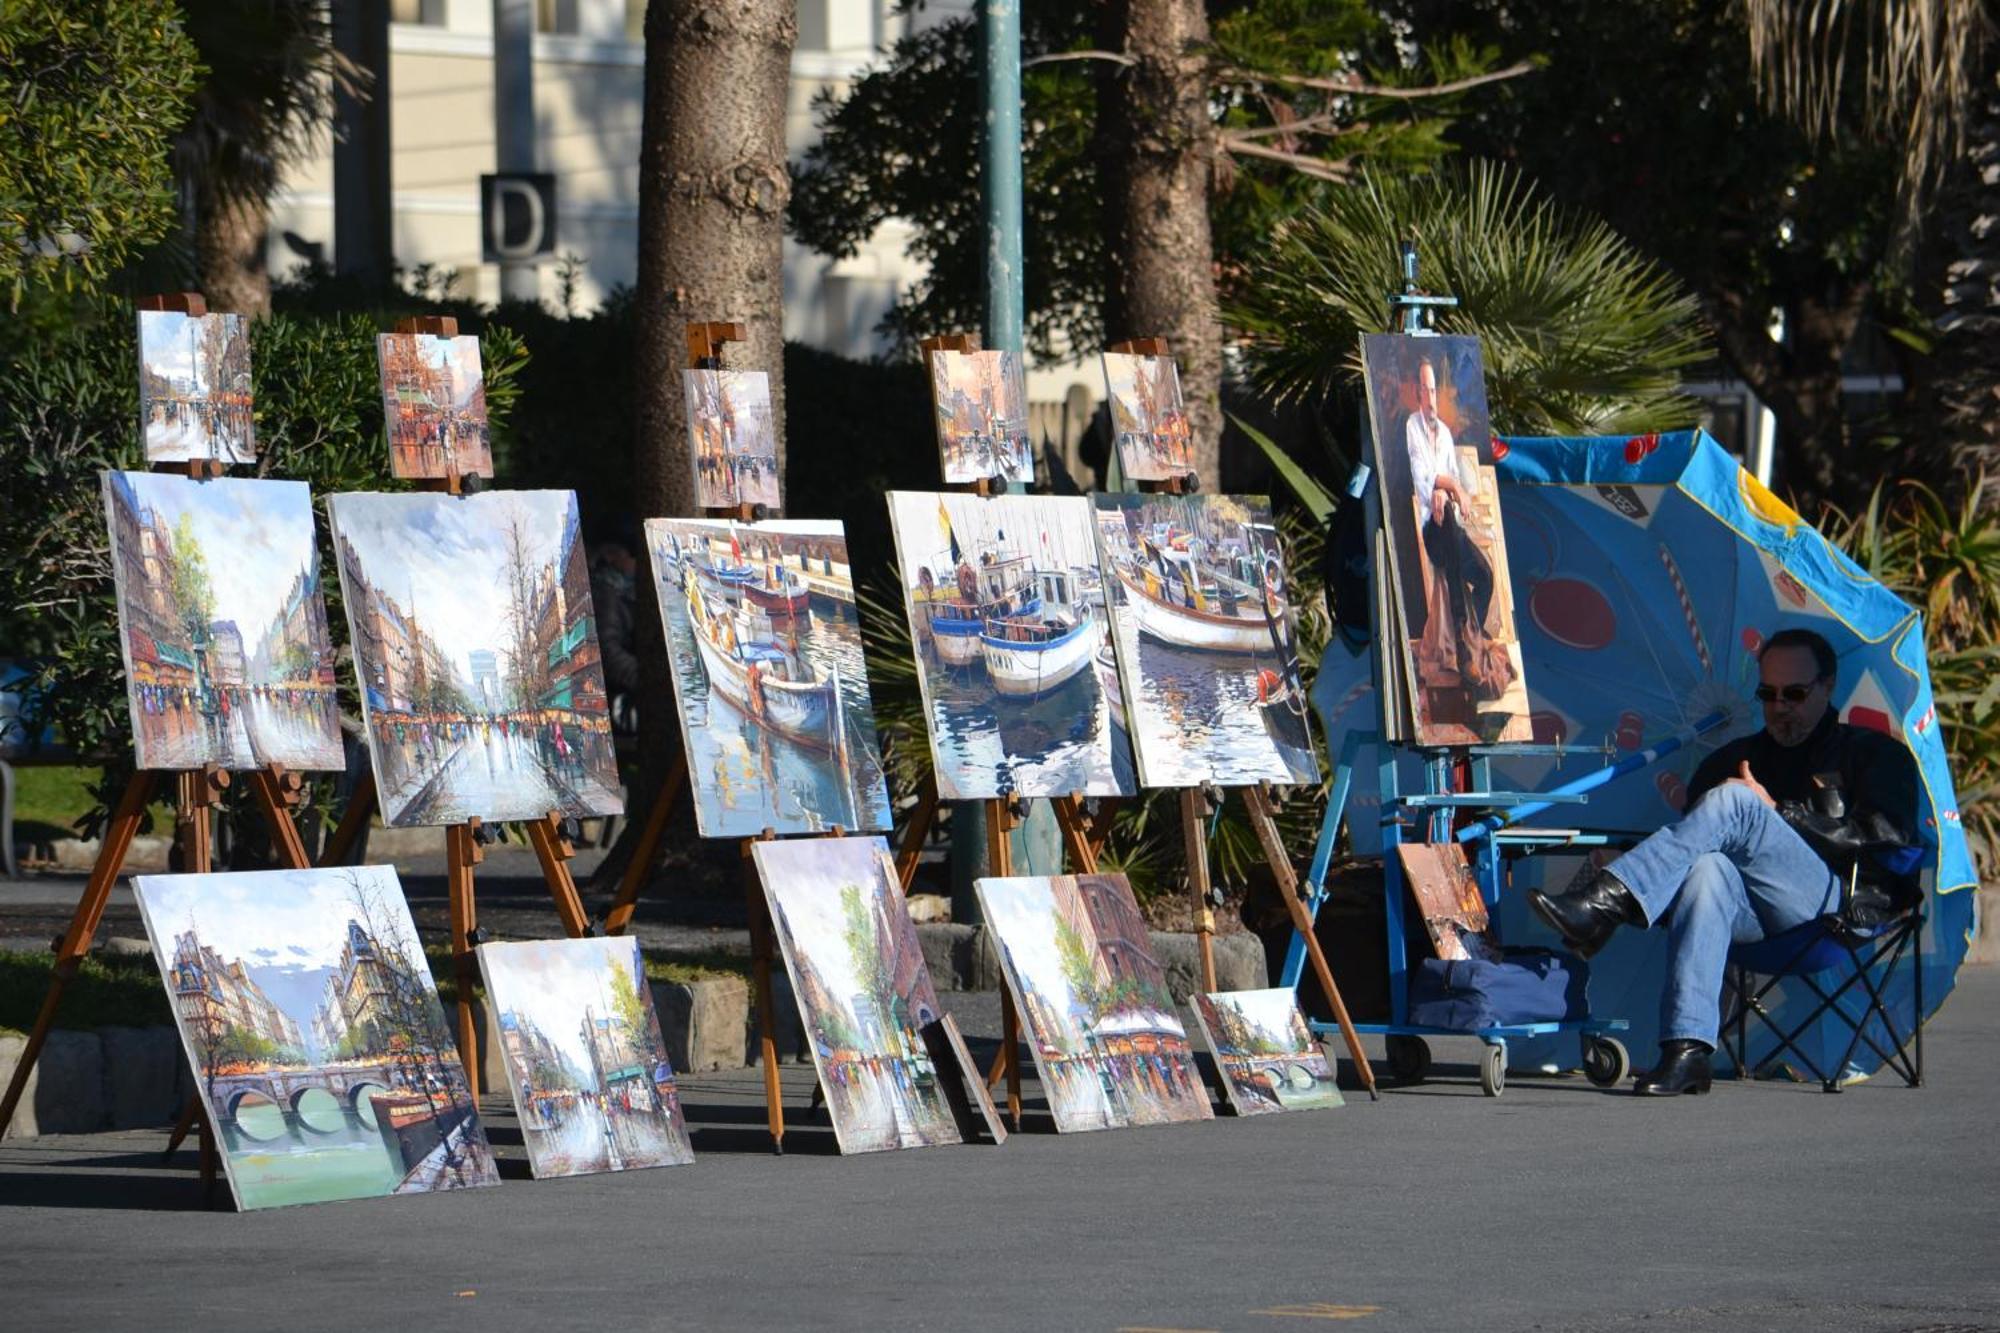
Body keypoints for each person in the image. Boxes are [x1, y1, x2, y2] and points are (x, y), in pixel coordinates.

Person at [1528, 628, 1923, 1095]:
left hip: (1833, 908)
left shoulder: (1875, 753)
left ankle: (1605, 904)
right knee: (1706, 868)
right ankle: (1688, 1050)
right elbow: (1688, 847)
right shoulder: (1732, 760)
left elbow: (1888, 834)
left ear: (1828, 686)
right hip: (1748, 919)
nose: (1781, 707)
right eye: (1768, 694)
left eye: (1795, 693)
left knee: (1737, 801)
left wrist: (1780, 815)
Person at [1404, 359, 1496, 676]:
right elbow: (1424, 479)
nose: (1430, 397)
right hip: (1432, 529)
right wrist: (1449, 486)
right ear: (1417, 393)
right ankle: (1464, 650)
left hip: (1451, 525)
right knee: (1447, 537)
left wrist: (1449, 489)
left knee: (1485, 577)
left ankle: (1472, 638)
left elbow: (1449, 478)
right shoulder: (1412, 427)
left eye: (1434, 390)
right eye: (1425, 390)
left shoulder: (1443, 432)